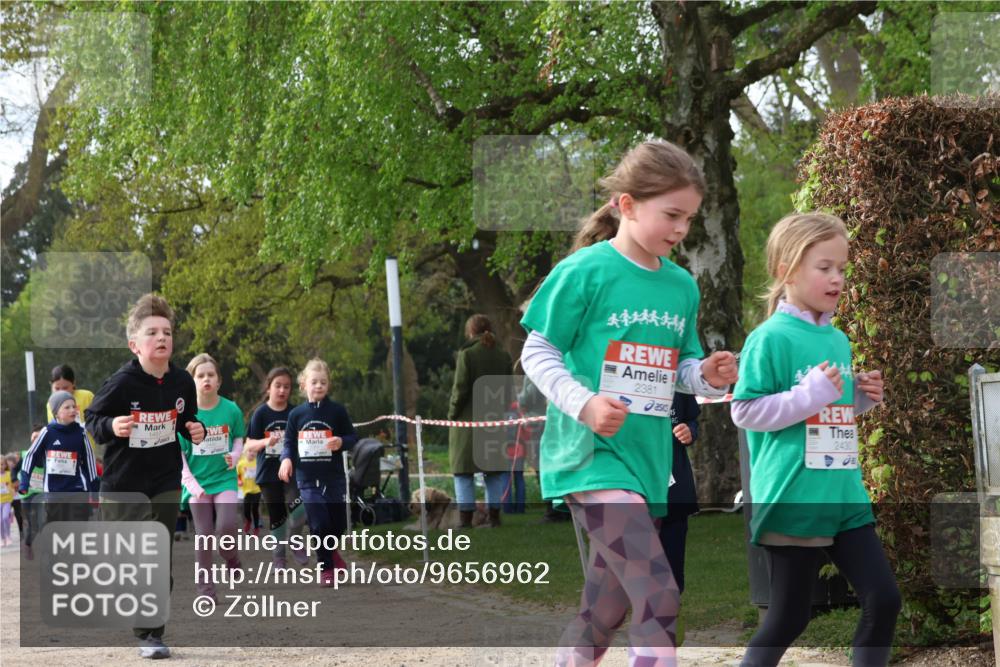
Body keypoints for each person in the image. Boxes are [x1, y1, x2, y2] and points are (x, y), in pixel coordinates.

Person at [520, 140, 738, 666]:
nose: (681, 230)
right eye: (671, 215)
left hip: (648, 461)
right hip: (589, 456)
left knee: (604, 611)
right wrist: (584, 402)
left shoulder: (682, 286)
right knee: (660, 597)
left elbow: (680, 371)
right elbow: (537, 349)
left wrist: (707, 376)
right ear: (627, 204)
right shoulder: (584, 272)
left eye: (688, 218)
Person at [732, 212, 901, 667]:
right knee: (789, 617)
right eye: (824, 267)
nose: (837, 278)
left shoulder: (838, 339)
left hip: (844, 492)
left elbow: (828, 411)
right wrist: (808, 395)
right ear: (787, 269)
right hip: (794, 495)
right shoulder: (768, 339)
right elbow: (745, 411)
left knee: (884, 600)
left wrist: (860, 400)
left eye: (842, 269)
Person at [85, 293, 205, 660]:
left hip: (164, 480)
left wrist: (194, 429)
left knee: (157, 558)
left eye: (167, 331)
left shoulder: (183, 382)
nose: (162, 338)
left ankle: (151, 634)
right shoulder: (122, 383)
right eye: (152, 332)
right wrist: (111, 425)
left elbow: (187, 421)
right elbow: (92, 420)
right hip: (123, 485)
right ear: (134, 344)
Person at [278, 358, 358, 586]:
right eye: (314, 382)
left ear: (328, 385)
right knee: (319, 522)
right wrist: (286, 461)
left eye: (323, 382)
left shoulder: (337, 411)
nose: (319, 386)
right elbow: (289, 444)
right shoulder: (296, 415)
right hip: (307, 478)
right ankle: (326, 568)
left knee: (338, 523)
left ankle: (331, 552)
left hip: (333, 477)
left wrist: (341, 441)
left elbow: (353, 438)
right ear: (304, 385)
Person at [179, 353, 245, 601]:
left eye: (211, 374)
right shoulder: (185, 415)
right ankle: (205, 589)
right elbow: (180, 454)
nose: (206, 379)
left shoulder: (231, 409)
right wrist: (191, 483)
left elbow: (238, 436)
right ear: (192, 381)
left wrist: (236, 454)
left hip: (225, 478)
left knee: (227, 526)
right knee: (204, 535)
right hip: (197, 483)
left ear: (218, 380)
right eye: (200, 375)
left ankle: (232, 558)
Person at [448, 314, 513, 529]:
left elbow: (460, 390)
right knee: (493, 473)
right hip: (493, 421)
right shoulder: (503, 355)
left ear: (470, 332)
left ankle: (465, 521)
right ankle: (494, 518)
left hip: (468, 422)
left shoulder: (467, 354)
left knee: (463, 472)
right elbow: (508, 392)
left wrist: (452, 414)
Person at [244, 367, 308, 568]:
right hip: (268, 472)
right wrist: (265, 442)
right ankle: (279, 556)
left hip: (292, 470)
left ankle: (295, 540)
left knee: (299, 509)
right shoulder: (261, 413)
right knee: (277, 515)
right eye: (278, 386)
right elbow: (248, 445)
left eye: (286, 387)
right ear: (268, 387)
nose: (282, 391)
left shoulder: (296, 412)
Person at [20, 391, 99, 523]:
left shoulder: (81, 433)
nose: (72, 410)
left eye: (74, 406)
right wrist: (24, 482)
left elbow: (89, 461)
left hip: (78, 490)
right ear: (56, 412)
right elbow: (31, 456)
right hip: (54, 492)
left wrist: (94, 489)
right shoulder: (47, 432)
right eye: (67, 407)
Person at [658, 389, 701, 596]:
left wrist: (689, 431)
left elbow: (692, 419)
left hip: (674, 491)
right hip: (632, 490)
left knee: (673, 576)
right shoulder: (615, 376)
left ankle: (671, 621)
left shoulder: (677, 376)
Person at [237, 451, 262, 536]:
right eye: (250, 451)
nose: (252, 453)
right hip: (246, 491)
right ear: (246, 452)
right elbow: (237, 475)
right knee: (246, 510)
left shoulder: (258, 462)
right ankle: (248, 521)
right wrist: (239, 480)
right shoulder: (241, 463)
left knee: (255, 509)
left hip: (257, 490)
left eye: (254, 451)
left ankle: (256, 528)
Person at [1, 455, 13, 547]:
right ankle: (2, 538)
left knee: (5, 518)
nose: (0, 466)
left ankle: (8, 536)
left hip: (7, 501)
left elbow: (12, 486)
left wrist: (9, 488)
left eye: (2, 464)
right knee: (0, 521)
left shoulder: (9, 474)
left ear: (5, 465)